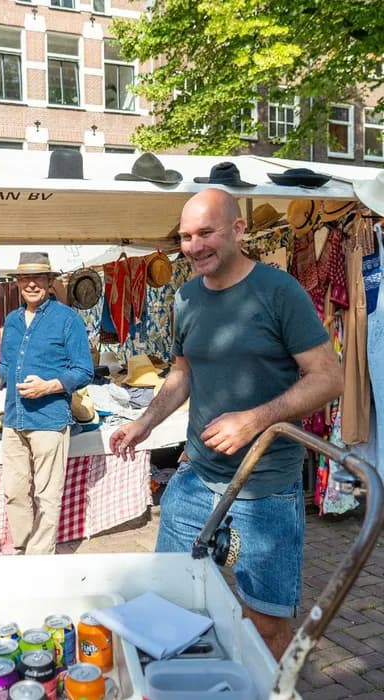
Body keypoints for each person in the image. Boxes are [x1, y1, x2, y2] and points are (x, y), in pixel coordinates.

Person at [109, 189, 343, 660]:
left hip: (266, 489)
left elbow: (329, 377)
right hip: (195, 477)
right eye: (186, 236)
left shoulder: (280, 292)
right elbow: (183, 371)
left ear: (238, 230)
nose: (193, 246)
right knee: (171, 598)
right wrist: (146, 422)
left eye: (205, 233)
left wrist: (255, 419)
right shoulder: (187, 297)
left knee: (266, 622)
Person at [0, 252, 93, 554]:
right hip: (14, 420)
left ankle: (40, 559)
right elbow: (5, 364)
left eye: (38, 278)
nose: (31, 284)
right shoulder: (13, 321)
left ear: (50, 282)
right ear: (16, 282)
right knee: (14, 492)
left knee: (47, 496)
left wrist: (49, 387)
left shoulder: (67, 319)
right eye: (25, 278)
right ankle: (22, 549)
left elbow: (84, 371)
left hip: (49, 420)